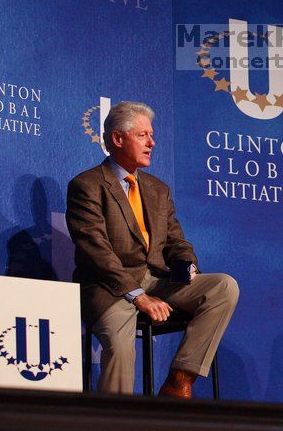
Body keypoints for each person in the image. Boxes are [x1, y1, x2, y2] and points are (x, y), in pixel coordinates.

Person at [67, 101, 238, 398]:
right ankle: (114, 421)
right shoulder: (87, 185)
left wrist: (186, 266)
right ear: (118, 139)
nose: (152, 142)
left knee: (223, 286)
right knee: (120, 347)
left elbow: (176, 241)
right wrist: (139, 296)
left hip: (157, 280)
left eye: (152, 135)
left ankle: (178, 382)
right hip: (109, 287)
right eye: (143, 135)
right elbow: (96, 251)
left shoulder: (158, 189)